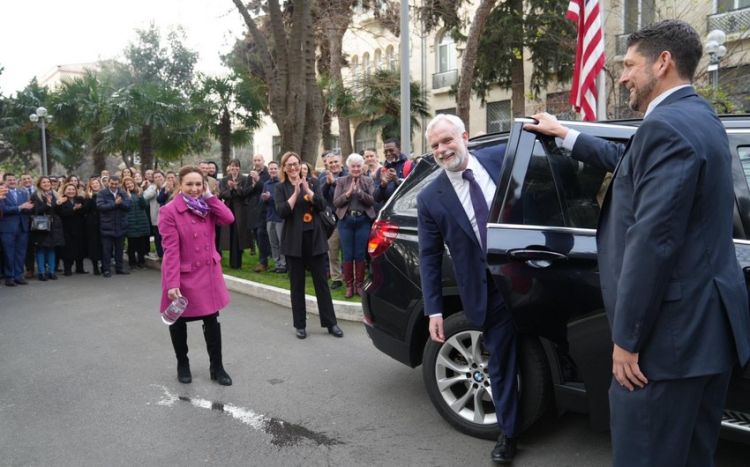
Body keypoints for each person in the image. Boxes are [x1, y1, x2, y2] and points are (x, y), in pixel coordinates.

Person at [525, 20, 750, 467]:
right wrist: (568, 136)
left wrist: (626, 340)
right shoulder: (699, 117)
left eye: (629, 64)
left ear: (662, 63)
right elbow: (631, 165)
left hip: (663, 348)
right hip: (706, 338)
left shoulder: (665, 127)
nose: (623, 75)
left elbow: (653, 241)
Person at [417, 114, 518, 464]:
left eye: (447, 141)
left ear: (465, 136)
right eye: (435, 146)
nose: (443, 150)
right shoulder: (431, 198)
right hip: (486, 290)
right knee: (500, 362)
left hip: (530, 277)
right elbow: (428, 257)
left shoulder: (502, 156)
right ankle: (508, 433)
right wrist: (434, 309)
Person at [159, 165, 235, 386]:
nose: (194, 189)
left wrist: (210, 196)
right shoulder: (169, 211)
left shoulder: (208, 206)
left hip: (208, 274)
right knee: (178, 321)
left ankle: (217, 367)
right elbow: (170, 250)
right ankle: (182, 363)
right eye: (189, 184)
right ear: (180, 185)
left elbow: (228, 218)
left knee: (212, 320)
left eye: (198, 184)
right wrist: (172, 283)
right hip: (182, 275)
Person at [275, 151, 343, 339]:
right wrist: (296, 193)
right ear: (284, 168)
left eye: (295, 163)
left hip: (315, 240)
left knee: (321, 283)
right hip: (293, 243)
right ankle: (300, 325)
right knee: (297, 285)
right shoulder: (281, 188)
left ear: (300, 164)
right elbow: (281, 212)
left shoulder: (312, 183)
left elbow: (322, 205)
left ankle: (331, 323)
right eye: (289, 164)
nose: (293, 167)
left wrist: (309, 191)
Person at [332, 153, 376, 298]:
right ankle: (349, 285)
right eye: (353, 166)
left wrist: (360, 192)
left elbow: (371, 201)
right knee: (347, 254)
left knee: (360, 254)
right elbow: (337, 203)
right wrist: (349, 193)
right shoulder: (341, 181)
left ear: (362, 167)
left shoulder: (368, 181)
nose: (356, 169)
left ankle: (359, 285)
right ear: (348, 167)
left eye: (358, 166)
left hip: (363, 221)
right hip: (346, 221)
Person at [319, 153, 347, 289]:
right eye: (331, 163)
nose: (334, 164)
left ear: (341, 162)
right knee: (333, 251)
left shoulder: (348, 175)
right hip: (332, 221)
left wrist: (334, 183)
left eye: (336, 161)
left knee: (347, 251)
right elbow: (320, 197)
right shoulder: (323, 178)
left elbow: (346, 194)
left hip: (347, 219)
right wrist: (328, 184)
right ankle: (336, 277)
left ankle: (349, 277)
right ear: (327, 165)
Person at [0, 173, 34, 286]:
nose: (12, 181)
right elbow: (4, 209)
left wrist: (30, 208)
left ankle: (19, 276)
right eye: (9, 180)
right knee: (9, 254)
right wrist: (20, 207)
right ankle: (9, 277)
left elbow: (27, 209)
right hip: (8, 228)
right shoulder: (2, 193)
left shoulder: (23, 193)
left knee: (20, 253)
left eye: (14, 179)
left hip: (22, 227)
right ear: (5, 182)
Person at [30, 177, 65, 281]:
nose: (46, 184)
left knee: (52, 248)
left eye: (48, 182)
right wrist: (48, 204)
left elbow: (59, 210)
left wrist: (59, 203)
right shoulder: (35, 195)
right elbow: (35, 211)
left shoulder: (55, 194)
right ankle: (41, 272)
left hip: (54, 225)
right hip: (41, 224)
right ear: (39, 184)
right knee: (41, 248)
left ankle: (51, 271)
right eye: (43, 182)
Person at [219, 160, 252, 269]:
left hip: (241, 211)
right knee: (230, 235)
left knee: (238, 236)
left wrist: (236, 188)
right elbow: (222, 194)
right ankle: (232, 263)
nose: (234, 169)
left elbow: (246, 193)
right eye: (232, 167)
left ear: (239, 168)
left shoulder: (245, 179)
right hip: (229, 209)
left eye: (236, 167)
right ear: (229, 167)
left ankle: (238, 263)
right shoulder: (224, 180)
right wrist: (230, 188)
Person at [97, 175, 131, 277]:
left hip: (120, 226)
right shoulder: (102, 193)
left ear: (119, 184)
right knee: (107, 250)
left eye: (116, 184)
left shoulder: (122, 192)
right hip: (107, 226)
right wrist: (115, 203)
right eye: (112, 183)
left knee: (119, 250)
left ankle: (119, 268)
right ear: (108, 183)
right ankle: (106, 269)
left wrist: (120, 204)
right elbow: (100, 206)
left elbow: (128, 206)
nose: (114, 186)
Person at [57, 182, 88, 275]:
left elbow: (85, 211)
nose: (71, 191)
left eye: (73, 189)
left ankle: (80, 268)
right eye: (69, 189)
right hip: (67, 228)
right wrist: (73, 209)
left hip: (79, 227)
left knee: (80, 248)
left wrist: (81, 208)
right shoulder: (62, 200)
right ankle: (67, 269)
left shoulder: (80, 199)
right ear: (65, 191)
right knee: (68, 249)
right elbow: (62, 213)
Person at [261, 161, 286, 273]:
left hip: (280, 217)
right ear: (268, 170)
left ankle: (284, 264)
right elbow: (262, 202)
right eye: (271, 169)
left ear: (279, 169)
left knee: (282, 242)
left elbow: (282, 201)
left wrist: (270, 198)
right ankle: (277, 263)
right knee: (273, 242)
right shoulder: (266, 184)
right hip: (270, 217)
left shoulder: (282, 183)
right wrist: (264, 198)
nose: (273, 170)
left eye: (275, 168)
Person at [249, 154, 271, 272]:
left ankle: (264, 261)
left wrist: (258, 180)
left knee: (262, 234)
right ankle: (264, 259)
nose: (257, 162)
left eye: (259, 160)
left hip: (265, 209)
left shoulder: (267, 174)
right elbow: (247, 190)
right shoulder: (251, 173)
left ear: (263, 161)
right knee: (257, 234)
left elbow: (267, 187)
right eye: (255, 160)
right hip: (254, 209)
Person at [123, 176, 150, 269]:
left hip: (141, 221)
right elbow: (125, 208)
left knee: (141, 245)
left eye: (131, 183)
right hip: (131, 223)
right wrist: (129, 198)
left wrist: (140, 197)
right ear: (124, 186)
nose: (129, 185)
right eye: (127, 184)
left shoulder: (139, 192)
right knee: (132, 244)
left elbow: (144, 206)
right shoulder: (123, 195)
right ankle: (132, 263)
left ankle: (141, 262)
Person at [374, 139, 412, 204]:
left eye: (391, 150)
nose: (388, 153)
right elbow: (376, 198)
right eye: (385, 151)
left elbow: (414, 191)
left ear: (399, 149)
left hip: (404, 210)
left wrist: (397, 180)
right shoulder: (381, 171)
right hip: (387, 211)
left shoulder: (410, 166)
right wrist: (382, 185)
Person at [144, 170, 166, 258]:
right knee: (158, 236)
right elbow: (145, 196)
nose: (158, 179)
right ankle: (160, 254)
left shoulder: (167, 186)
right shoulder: (152, 188)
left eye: (159, 176)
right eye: (156, 177)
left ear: (163, 177)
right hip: (156, 216)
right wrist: (155, 188)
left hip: (167, 216)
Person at [84, 177, 103, 275]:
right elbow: (86, 209)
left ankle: (104, 265)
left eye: (97, 183)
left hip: (103, 222)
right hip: (92, 224)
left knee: (103, 244)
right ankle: (95, 266)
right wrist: (91, 199)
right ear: (90, 186)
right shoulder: (87, 196)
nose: (95, 185)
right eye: (93, 183)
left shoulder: (104, 194)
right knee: (94, 245)